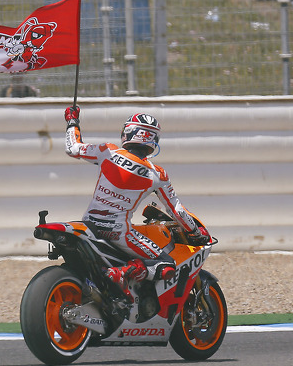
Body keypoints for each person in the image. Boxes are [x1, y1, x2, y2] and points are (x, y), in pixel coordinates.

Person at [64, 105, 210, 302]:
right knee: (167, 265)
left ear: (128, 133)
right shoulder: (156, 174)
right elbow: (176, 210)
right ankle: (124, 272)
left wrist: (72, 121)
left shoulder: (107, 151)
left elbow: (72, 147)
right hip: (118, 232)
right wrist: (195, 231)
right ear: (153, 140)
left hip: (89, 224)